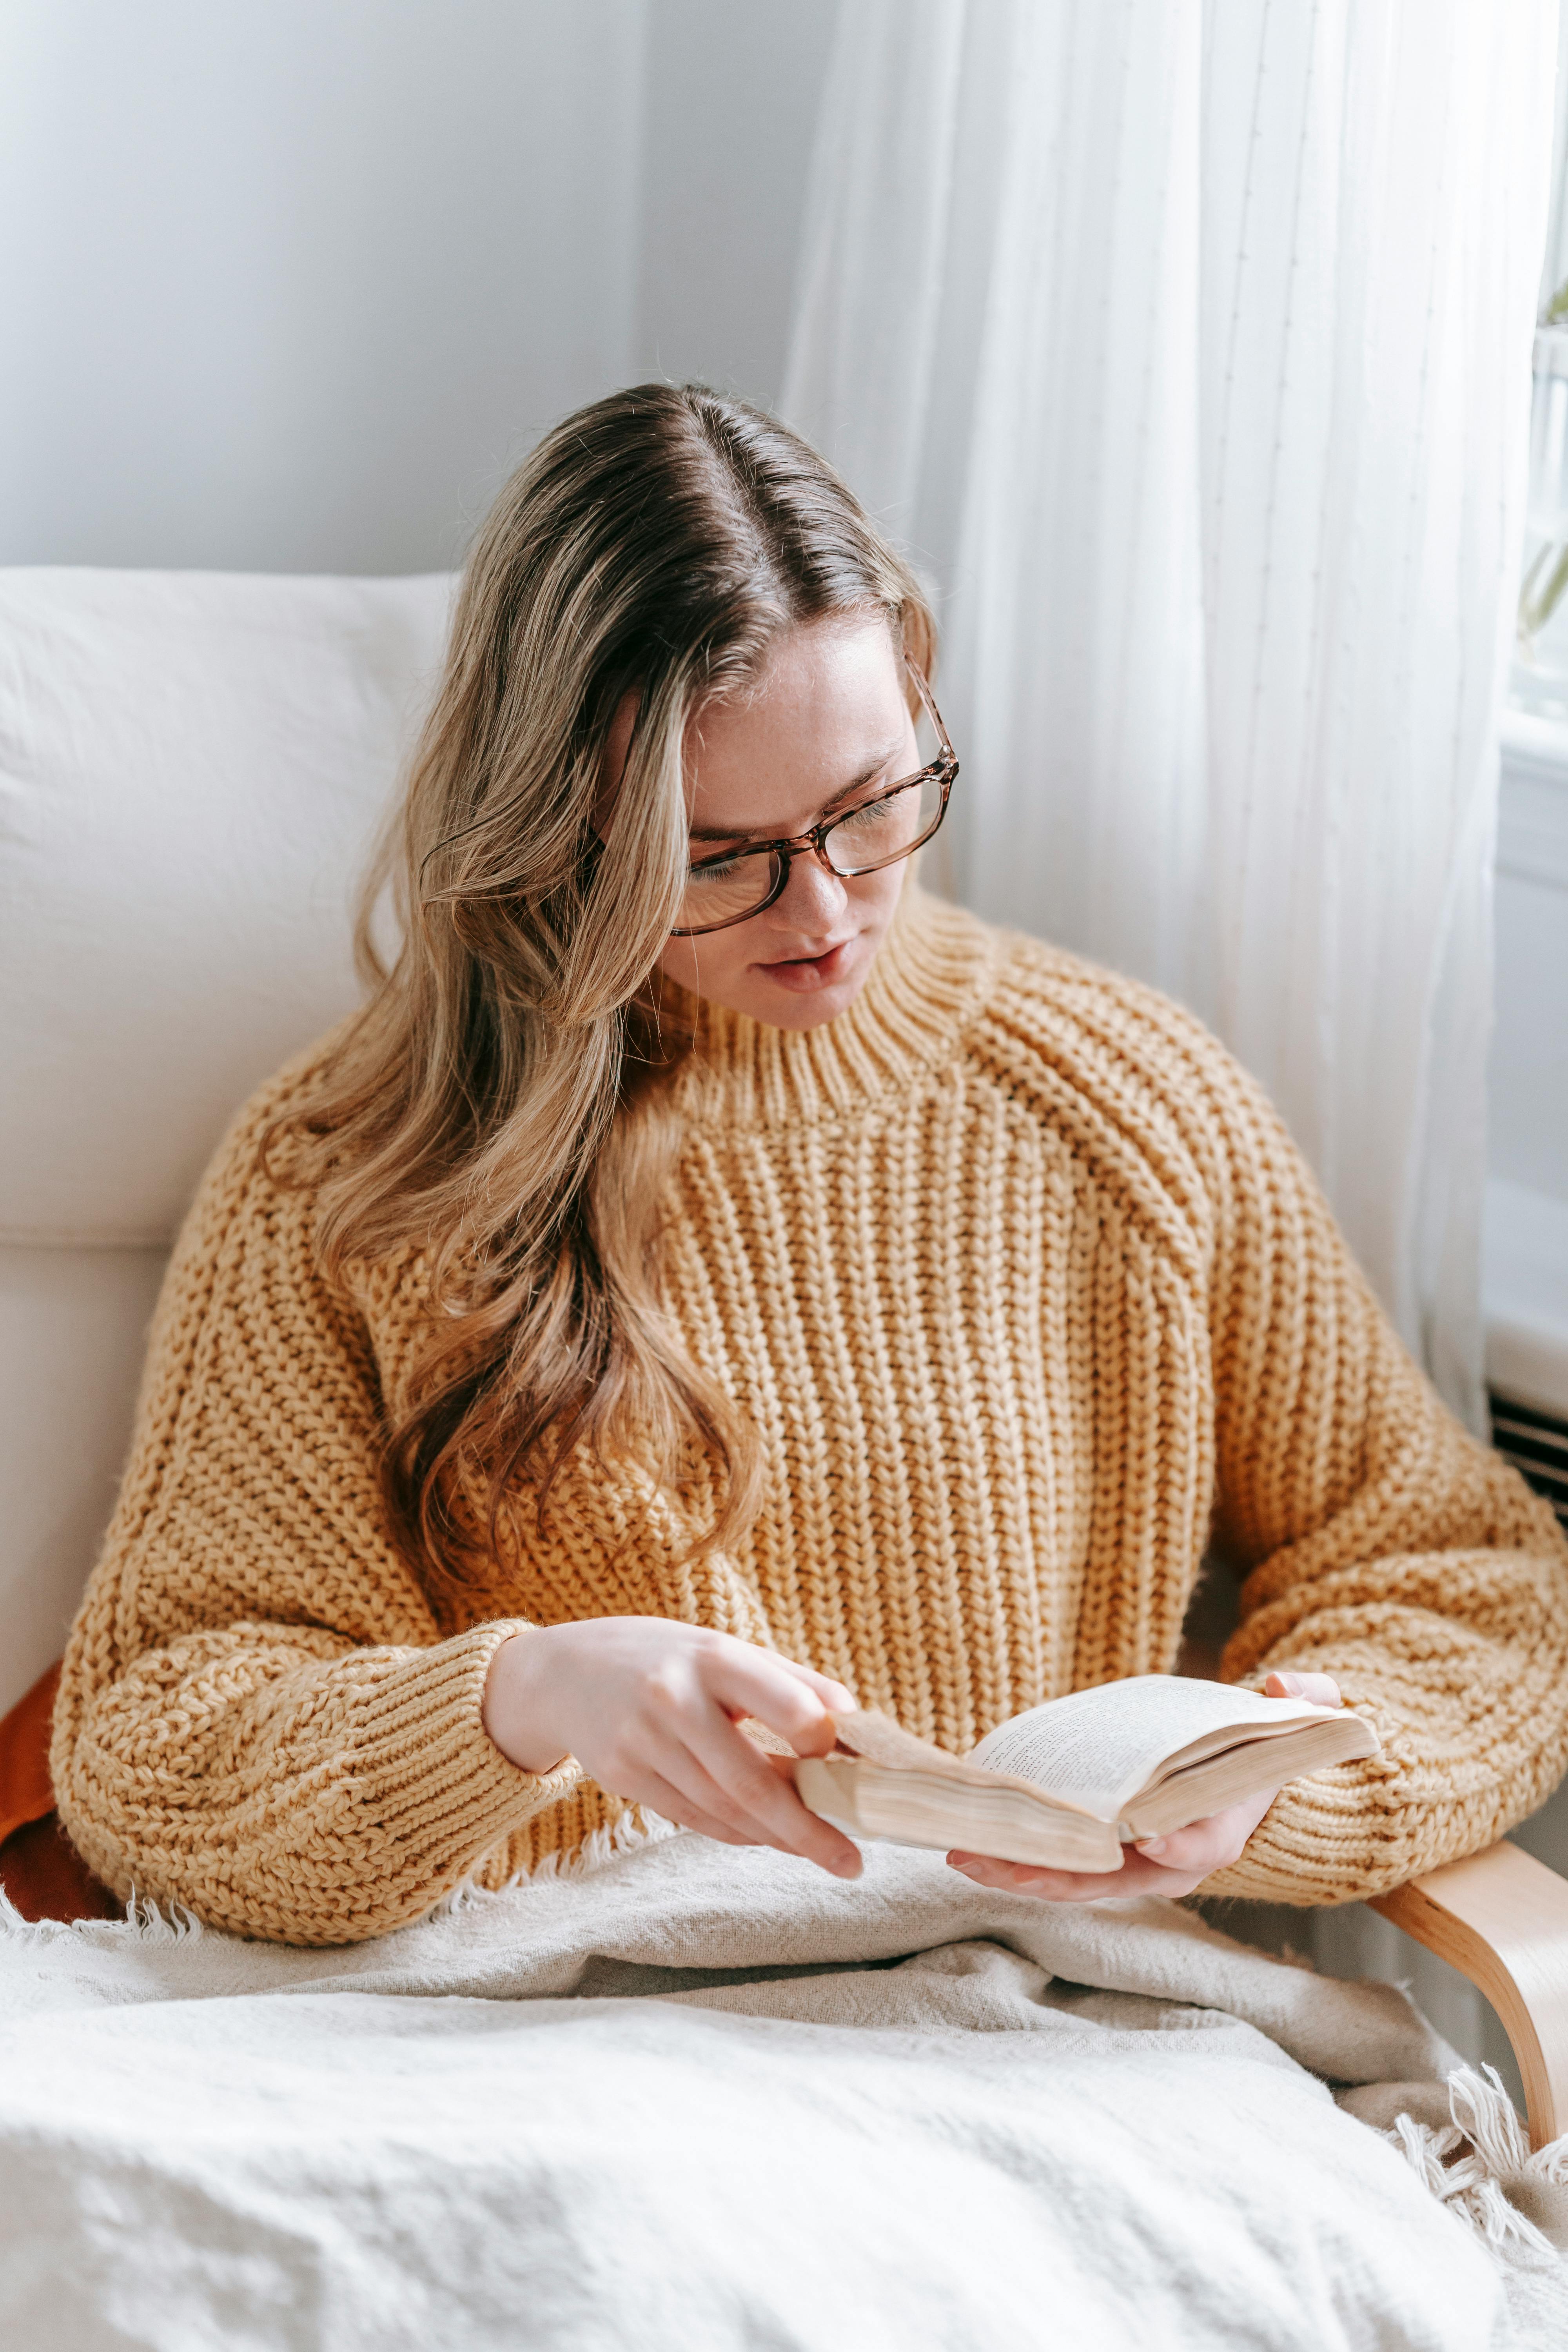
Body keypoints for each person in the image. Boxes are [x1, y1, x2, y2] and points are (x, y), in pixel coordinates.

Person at [51, 384, 1568, 1947]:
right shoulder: (354, 1174)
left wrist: (1272, 1781)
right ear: (559, 827)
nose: (825, 909)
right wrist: (519, 1699)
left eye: (869, 805)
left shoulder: (1122, 1109)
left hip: (1011, 2036)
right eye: (715, 858)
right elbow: (161, 1750)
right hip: (531, 2055)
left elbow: (1464, 1574)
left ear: (916, 700)